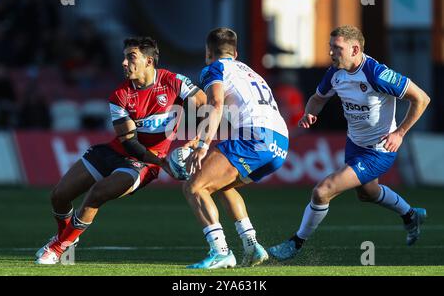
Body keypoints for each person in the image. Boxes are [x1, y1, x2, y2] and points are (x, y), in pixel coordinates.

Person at [35, 36, 206, 264]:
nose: (124, 63)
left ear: (148, 61)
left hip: (144, 164)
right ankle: (67, 237)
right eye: (124, 57)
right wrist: (165, 163)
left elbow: (204, 101)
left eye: (131, 57)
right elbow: (129, 143)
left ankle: (58, 247)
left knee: (98, 193)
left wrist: (196, 140)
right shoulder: (120, 95)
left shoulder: (173, 81)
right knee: (59, 196)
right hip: (118, 151)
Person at [268, 25, 431, 261]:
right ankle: (410, 215)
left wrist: (400, 132)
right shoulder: (335, 73)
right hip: (354, 144)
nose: (331, 53)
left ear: (355, 49)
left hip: (379, 151)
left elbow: (422, 98)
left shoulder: (377, 74)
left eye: (337, 48)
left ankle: (295, 243)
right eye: (330, 47)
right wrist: (309, 113)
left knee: (322, 191)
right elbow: (317, 98)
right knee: (368, 193)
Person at [182, 27, 289, 269]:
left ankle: (220, 252)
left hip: (256, 137)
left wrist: (202, 145)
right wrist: (201, 137)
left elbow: (216, 103)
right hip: (280, 142)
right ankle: (252, 245)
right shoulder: (250, 72)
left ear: (209, 52)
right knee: (221, 185)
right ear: (235, 53)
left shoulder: (213, 68)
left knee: (194, 186)